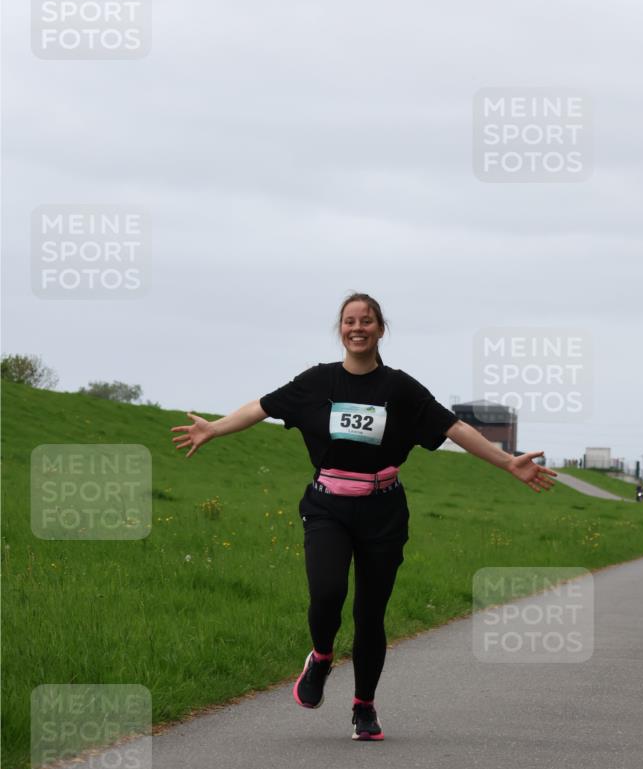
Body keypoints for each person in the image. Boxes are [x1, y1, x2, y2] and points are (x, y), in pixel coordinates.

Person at [171, 293, 557, 741]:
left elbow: (455, 428)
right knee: (328, 592)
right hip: (327, 506)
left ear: (380, 329)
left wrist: (508, 461)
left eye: (367, 321)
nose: (358, 327)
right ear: (341, 329)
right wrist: (214, 428)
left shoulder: (400, 389)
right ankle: (319, 657)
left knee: (370, 614)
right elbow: (261, 407)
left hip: (383, 510)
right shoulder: (317, 382)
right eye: (350, 320)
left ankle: (364, 707)